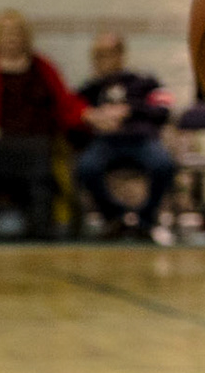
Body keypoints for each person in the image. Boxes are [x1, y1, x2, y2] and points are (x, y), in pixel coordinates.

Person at [0, 10, 106, 238]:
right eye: (6, 33)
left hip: (36, 146)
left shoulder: (43, 68)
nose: (12, 38)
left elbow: (64, 103)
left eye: (16, 32)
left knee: (43, 176)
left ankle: (41, 235)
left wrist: (88, 115)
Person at [74, 32, 177, 238]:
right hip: (106, 142)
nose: (103, 60)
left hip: (142, 139)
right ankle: (115, 217)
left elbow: (164, 108)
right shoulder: (90, 89)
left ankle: (145, 218)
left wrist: (129, 109)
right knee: (86, 169)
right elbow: (73, 115)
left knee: (164, 165)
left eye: (108, 54)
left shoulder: (144, 81)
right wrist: (94, 117)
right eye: (98, 55)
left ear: (121, 55)